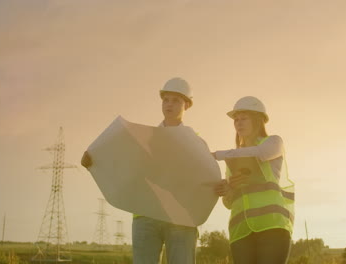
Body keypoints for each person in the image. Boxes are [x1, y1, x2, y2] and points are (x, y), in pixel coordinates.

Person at [81, 77, 198, 264]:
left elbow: (202, 176)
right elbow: (122, 162)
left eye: (176, 100)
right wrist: (94, 160)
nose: (169, 104)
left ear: (187, 105)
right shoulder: (145, 138)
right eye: (166, 99)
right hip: (146, 214)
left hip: (180, 217)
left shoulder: (195, 141)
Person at [212, 96, 295, 264]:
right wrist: (228, 190)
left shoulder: (272, 142)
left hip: (271, 227)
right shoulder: (233, 159)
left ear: (258, 120)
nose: (238, 123)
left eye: (243, 118)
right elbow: (229, 203)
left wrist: (216, 155)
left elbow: (260, 154)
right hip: (240, 231)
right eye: (236, 120)